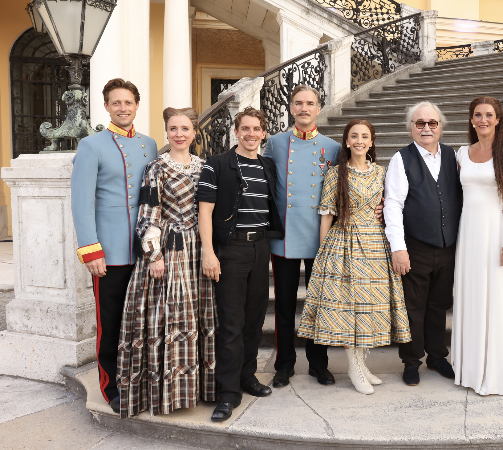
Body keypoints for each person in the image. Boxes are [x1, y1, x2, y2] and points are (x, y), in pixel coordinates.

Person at [297, 120, 411, 395]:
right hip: (344, 242)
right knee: (349, 308)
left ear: (371, 142)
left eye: (365, 136)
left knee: (369, 306)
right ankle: (353, 366)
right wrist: (325, 252)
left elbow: (392, 204)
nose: (359, 141)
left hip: (374, 244)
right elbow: (326, 213)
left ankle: (362, 362)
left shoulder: (381, 172)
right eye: (354, 136)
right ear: (346, 142)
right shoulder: (337, 174)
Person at [115, 107, 216, 418]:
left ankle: (198, 390)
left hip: (199, 249)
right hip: (169, 249)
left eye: (185, 128)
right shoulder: (155, 168)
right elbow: (148, 213)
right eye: (173, 128)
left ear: (195, 133)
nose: (179, 134)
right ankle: (165, 393)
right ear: (167, 132)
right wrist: (154, 255)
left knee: (201, 317)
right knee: (169, 317)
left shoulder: (206, 168)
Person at [71, 78, 157, 413]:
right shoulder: (92, 146)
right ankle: (112, 386)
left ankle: (140, 378)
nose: (123, 108)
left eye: (128, 102)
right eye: (115, 102)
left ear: (137, 105)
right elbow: (81, 201)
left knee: (141, 321)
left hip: (144, 251)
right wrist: (91, 250)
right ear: (106, 106)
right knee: (111, 323)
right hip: (109, 253)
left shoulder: (150, 144)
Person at [197, 107, 284, 422]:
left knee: (254, 320)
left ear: (263, 133)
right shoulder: (217, 164)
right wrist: (209, 252)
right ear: (236, 132)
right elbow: (204, 212)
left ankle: (248, 377)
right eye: (245, 128)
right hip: (230, 251)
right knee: (231, 325)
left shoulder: (267, 166)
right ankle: (228, 393)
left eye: (256, 129)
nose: (251, 134)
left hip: (261, 248)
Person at [262, 85, 341, 388]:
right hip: (285, 236)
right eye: (298, 103)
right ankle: (284, 364)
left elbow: (340, 191)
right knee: (283, 304)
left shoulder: (332, 147)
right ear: (291, 108)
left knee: (317, 303)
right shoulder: (276, 143)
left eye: (309, 103)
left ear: (318, 108)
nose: (304, 108)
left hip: (319, 236)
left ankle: (318, 364)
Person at [451, 97, 503, 396]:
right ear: (471, 120)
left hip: (498, 234)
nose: (483, 120)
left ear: (498, 120)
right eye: (477, 115)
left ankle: (497, 373)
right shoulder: (462, 154)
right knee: (472, 296)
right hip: (469, 235)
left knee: (497, 299)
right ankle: (470, 370)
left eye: (489, 115)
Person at [384, 101, 462, 386]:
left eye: (432, 123)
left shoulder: (454, 156)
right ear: (411, 128)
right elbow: (392, 205)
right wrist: (398, 247)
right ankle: (411, 360)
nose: (426, 128)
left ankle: (437, 356)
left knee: (439, 304)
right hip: (415, 245)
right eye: (420, 123)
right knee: (413, 306)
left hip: (448, 246)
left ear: (440, 127)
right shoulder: (400, 159)